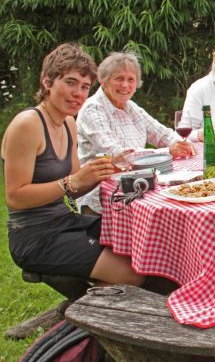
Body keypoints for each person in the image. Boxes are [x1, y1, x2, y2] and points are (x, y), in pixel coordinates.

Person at [1, 43, 143, 285]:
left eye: (85, 86)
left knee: (141, 242)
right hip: (34, 236)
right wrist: (72, 181)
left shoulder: (68, 123)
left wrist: (99, 173)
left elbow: (75, 188)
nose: (79, 93)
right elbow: (15, 197)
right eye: (70, 82)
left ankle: (93, 308)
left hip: (66, 221)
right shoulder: (27, 124)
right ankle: (90, 315)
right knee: (130, 272)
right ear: (47, 82)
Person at [77, 51, 194, 214]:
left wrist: (177, 142)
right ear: (103, 82)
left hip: (135, 187)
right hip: (102, 200)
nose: (125, 85)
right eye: (119, 78)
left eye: (131, 79)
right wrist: (167, 151)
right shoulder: (93, 109)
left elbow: (162, 133)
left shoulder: (130, 107)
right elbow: (118, 157)